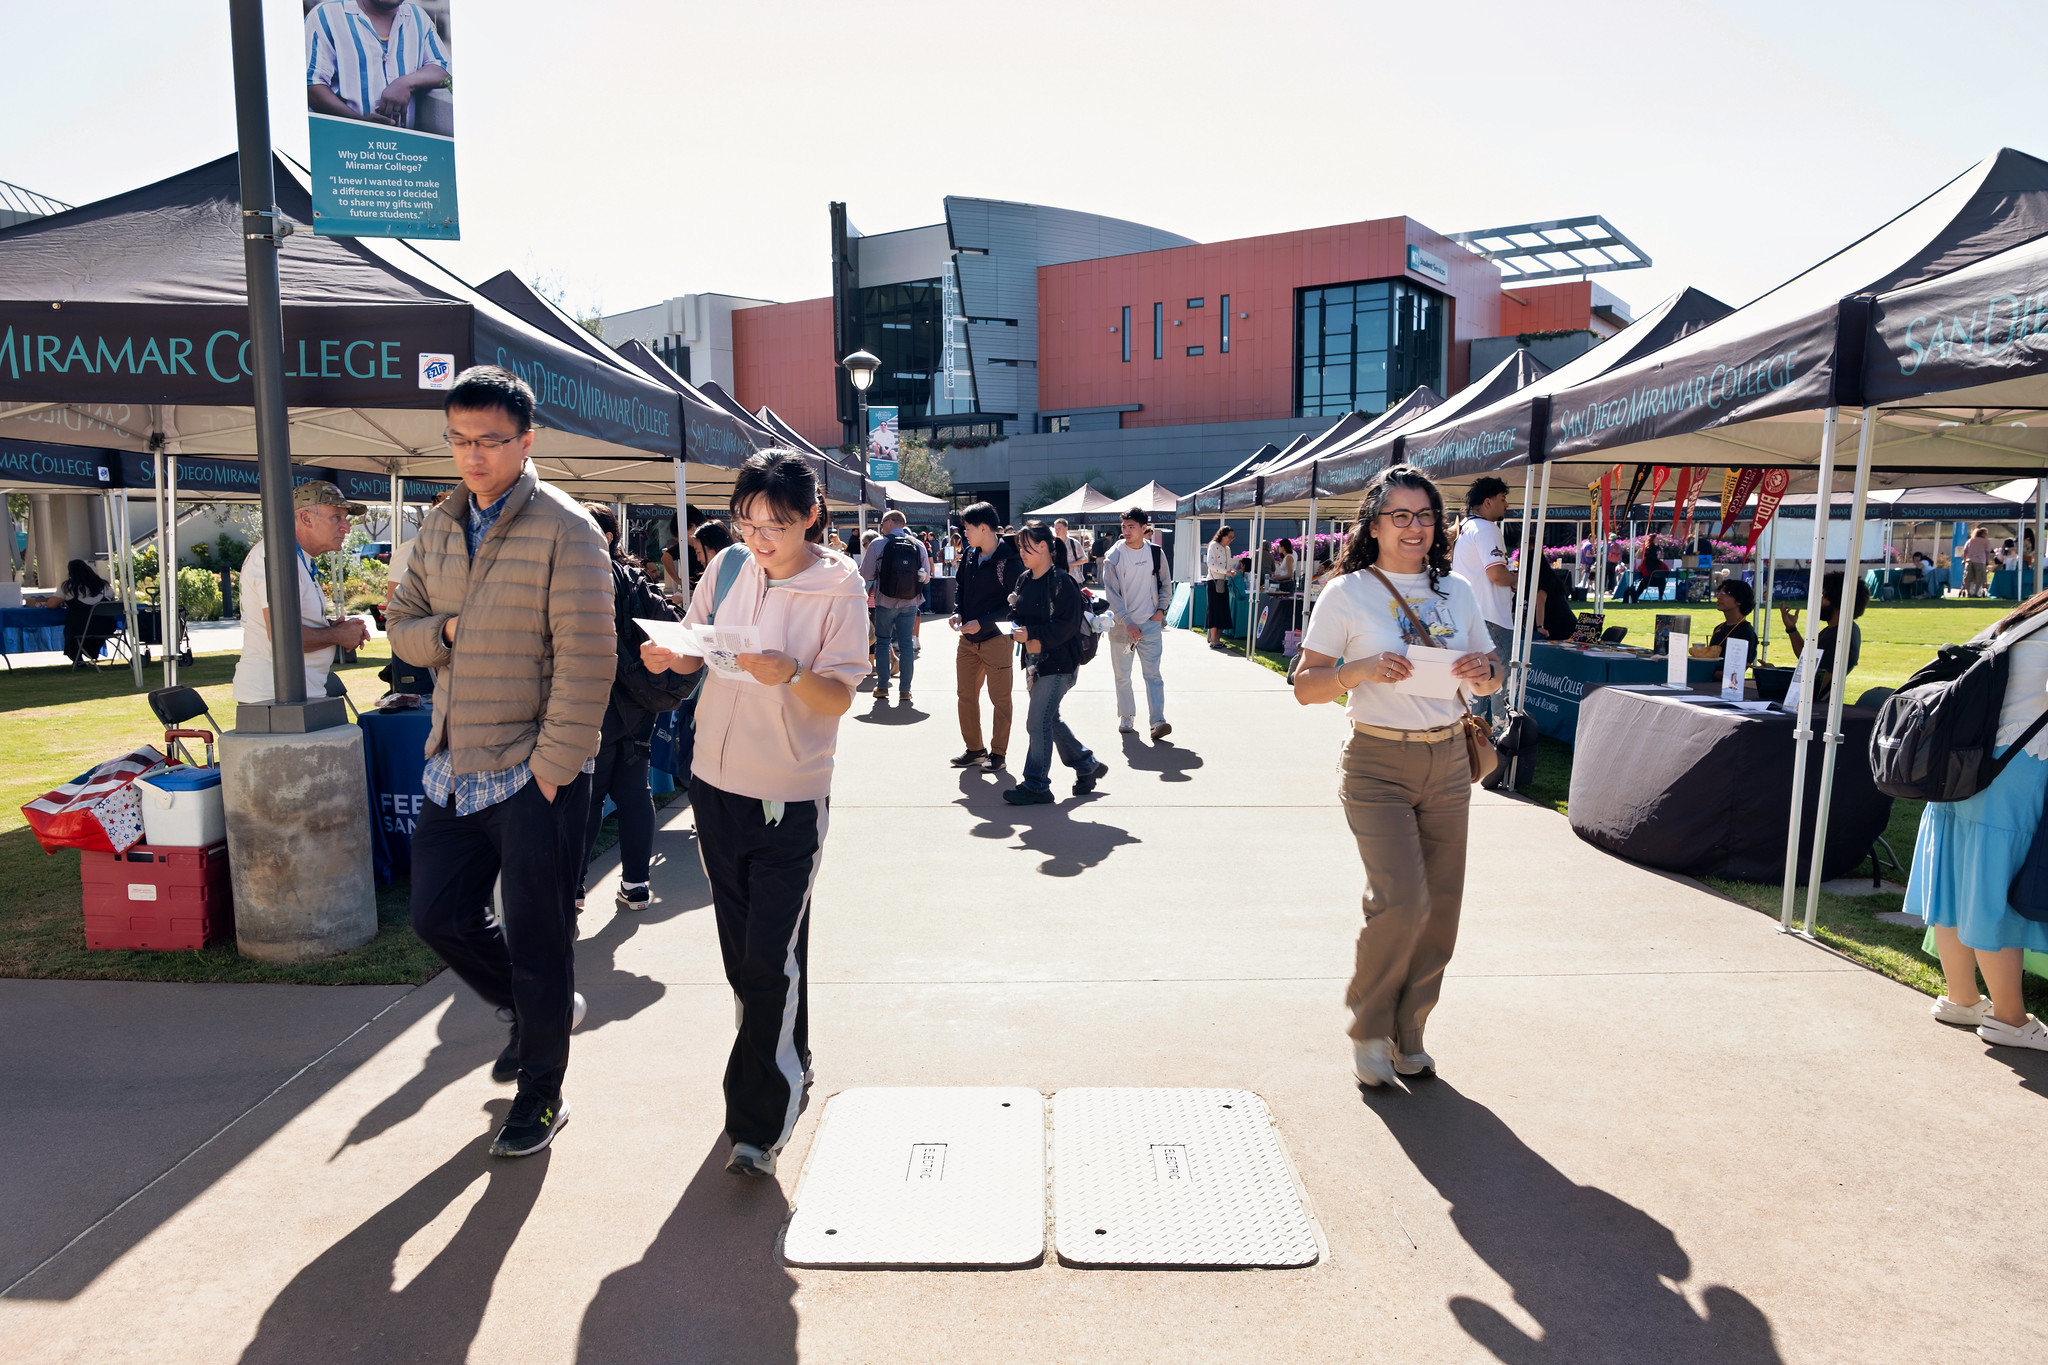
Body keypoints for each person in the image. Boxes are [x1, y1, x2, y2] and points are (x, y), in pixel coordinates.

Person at [387, 367, 615, 1160]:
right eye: (458, 440)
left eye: (488, 440)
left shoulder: (567, 527)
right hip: (453, 763)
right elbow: (401, 626)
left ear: (526, 440)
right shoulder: (440, 524)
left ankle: (542, 1092)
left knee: (542, 936)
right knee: (436, 916)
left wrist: (554, 767)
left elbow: (588, 659)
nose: (472, 456)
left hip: (532, 770)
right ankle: (527, 1008)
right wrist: (445, 634)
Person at [639, 451, 868, 1177]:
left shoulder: (839, 584)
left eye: (775, 523)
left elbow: (840, 696)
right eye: (747, 520)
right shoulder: (730, 566)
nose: (759, 537)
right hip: (713, 784)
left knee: (770, 959)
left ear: (810, 517)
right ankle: (788, 1058)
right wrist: (666, 655)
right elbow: (695, 642)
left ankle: (758, 1123)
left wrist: (793, 673)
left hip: (790, 795)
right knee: (747, 956)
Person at [1290, 464, 1501, 1089]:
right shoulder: (1347, 593)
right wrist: (1360, 669)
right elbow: (1306, 687)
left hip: (1447, 758)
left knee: (1441, 909)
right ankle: (1370, 1025)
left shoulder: (1457, 590)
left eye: (1426, 516)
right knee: (1402, 900)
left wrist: (1484, 671)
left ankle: (1413, 1031)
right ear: (1374, 525)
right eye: (1400, 516)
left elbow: (1490, 671)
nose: (1415, 528)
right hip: (1377, 763)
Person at [1906, 589, 2048, 1052]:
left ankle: (1962, 999)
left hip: (1965, 762)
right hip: (2015, 768)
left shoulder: (2026, 617)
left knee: (1955, 879)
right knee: (1992, 888)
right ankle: (2009, 1018)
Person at [577, 504, 683, 915]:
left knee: (587, 798)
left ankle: (574, 886)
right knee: (634, 794)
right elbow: (671, 625)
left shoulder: (582, 579)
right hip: (637, 702)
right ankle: (636, 885)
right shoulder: (634, 578)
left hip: (594, 705)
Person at [233, 481, 372, 705]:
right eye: (336, 517)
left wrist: (333, 628)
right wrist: (337, 635)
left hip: (293, 695)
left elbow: (290, 623)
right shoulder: (277, 557)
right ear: (306, 518)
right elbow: (283, 636)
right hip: (276, 699)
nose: (346, 527)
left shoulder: (294, 558)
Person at [1003, 523, 1106, 805]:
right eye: (1020, 547)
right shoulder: (1025, 579)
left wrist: (1033, 634)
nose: (1022, 552)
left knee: (1037, 722)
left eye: (1027, 547)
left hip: (1060, 663)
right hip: (1033, 661)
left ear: (1045, 547)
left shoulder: (1062, 581)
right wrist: (1014, 616)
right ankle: (1087, 764)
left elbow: (1067, 626)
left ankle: (1037, 784)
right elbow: (1021, 614)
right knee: (1049, 718)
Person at [948, 501, 1023, 772]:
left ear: (983, 528)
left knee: (1000, 698)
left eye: (967, 528)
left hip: (997, 639)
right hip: (967, 639)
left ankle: (998, 754)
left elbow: (1015, 605)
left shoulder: (1010, 561)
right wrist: (958, 612)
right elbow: (961, 587)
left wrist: (983, 622)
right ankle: (974, 750)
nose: (964, 533)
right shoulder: (969, 554)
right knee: (965, 695)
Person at [305, 0, 449, 129]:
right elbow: (311, 84)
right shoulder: (326, 15)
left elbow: (444, 67)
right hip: (341, 146)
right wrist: (358, 122)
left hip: (403, 149)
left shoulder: (417, 16)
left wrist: (406, 82)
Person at [1450, 477, 1517, 729]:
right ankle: (1500, 743)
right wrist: (1515, 579)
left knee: (1474, 685)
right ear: (1488, 502)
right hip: (1492, 618)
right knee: (1499, 686)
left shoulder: (1466, 527)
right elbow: (1497, 575)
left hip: (1471, 616)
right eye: (1502, 499)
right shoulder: (1488, 529)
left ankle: (1472, 737)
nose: (1506, 504)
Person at [1101, 506, 1173, 741]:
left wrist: (1161, 610)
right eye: (1124, 526)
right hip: (1122, 625)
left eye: (1131, 526)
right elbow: (1111, 594)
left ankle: (1158, 721)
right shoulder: (1114, 557)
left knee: (1153, 674)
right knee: (1122, 675)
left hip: (1150, 622)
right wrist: (1126, 621)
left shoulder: (1155, 553)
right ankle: (1126, 716)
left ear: (1144, 529)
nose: (1126, 531)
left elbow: (1165, 583)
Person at [859, 510, 931, 703]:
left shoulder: (877, 544)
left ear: (891, 522)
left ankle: (882, 687)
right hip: (910, 602)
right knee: (906, 644)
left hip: (885, 601)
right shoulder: (917, 545)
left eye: (882, 523)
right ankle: (905, 691)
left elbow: (866, 574)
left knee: (883, 642)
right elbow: (927, 577)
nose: (881, 527)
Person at [1779, 570, 1868, 696]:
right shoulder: (1837, 630)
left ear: (1837, 601)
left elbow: (1818, 685)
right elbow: (1807, 656)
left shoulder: (1838, 637)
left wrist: (1776, 679)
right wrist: (1792, 628)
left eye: (1823, 595)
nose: (1818, 600)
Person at [59, 559, 117, 669]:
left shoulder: (68, 587)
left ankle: (77, 658)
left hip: (80, 628)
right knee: (82, 628)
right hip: (104, 628)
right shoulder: (103, 586)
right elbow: (112, 601)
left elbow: (51, 604)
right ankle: (88, 654)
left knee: (71, 629)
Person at [1691, 579, 1759, 666]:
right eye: (1719, 592)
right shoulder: (1719, 628)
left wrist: (1707, 672)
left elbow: (1736, 672)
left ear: (1740, 600)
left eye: (1726, 593)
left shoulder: (1745, 632)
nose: (1718, 597)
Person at [1534, 553, 1577, 642]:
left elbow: (1540, 603)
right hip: (1565, 624)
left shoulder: (1543, 580)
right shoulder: (1550, 577)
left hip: (1561, 627)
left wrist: (1540, 626)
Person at [1205, 526, 1237, 648]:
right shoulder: (1213, 545)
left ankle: (1218, 639)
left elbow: (1228, 565)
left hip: (1224, 581)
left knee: (1223, 610)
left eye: (1232, 538)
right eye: (1229, 537)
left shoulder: (1227, 549)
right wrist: (1226, 572)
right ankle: (1213, 640)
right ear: (1222, 536)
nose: (1230, 540)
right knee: (1214, 610)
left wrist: (1231, 571)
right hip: (1214, 581)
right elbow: (1210, 563)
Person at [1055, 518, 1091, 584]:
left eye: (1059, 528)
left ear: (1066, 529)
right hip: (1058, 579)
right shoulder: (1053, 544)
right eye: (1056, 529)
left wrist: (1070, 565)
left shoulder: (1074, 543)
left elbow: (1085, 559)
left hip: (1074, 579)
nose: (1057, 531)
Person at [1962, 526, 1994, 597]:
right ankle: (1976, 593)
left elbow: (1965, 550)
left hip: (1969, 560)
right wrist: (1987, 561)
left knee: (1967, 578)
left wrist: (1964, 560)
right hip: (1980, 561)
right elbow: (1987, 552)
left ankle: (1968, 593)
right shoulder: (1986, 541)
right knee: (1979, 578)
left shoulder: (1971, 540)